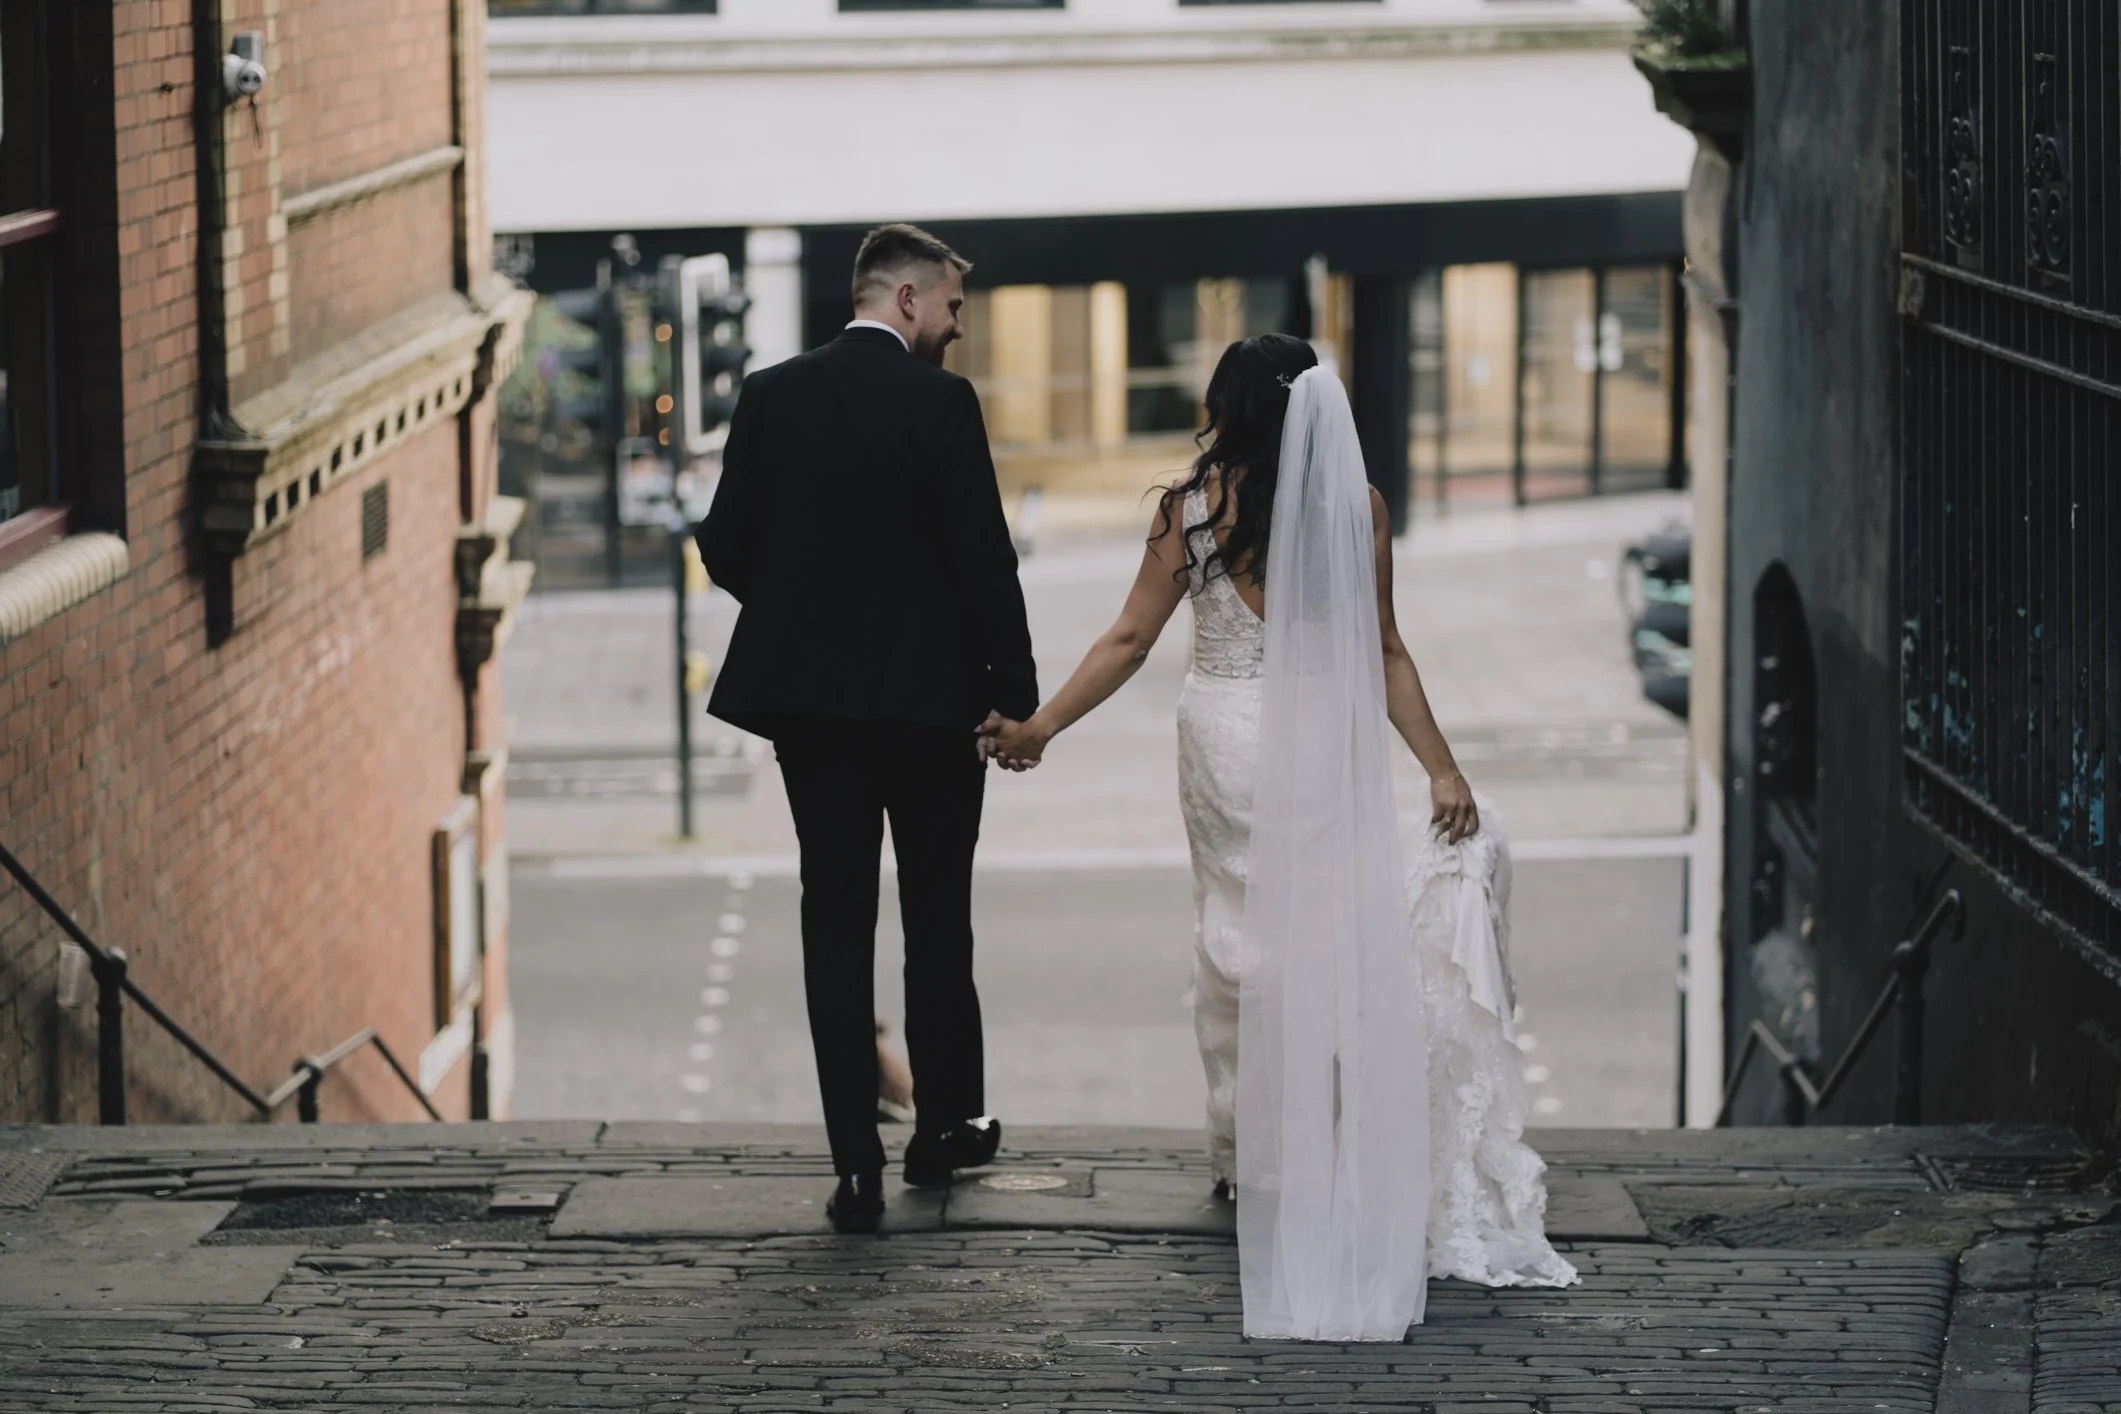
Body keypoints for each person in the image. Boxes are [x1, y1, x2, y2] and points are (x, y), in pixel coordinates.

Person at [986, 334, 1577, 1339]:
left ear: (1227, 405)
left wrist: (1042, 725)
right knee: (1327, 937)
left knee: (1235, 938)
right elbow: (1385, 650)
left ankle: (1247, 1154)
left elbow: (1129, 638)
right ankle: (1330, 1142)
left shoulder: (1192, 510)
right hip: (1318, 741)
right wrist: (1442, 765)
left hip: (1221, 737)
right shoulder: (1357, 509)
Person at [698, 224, 1034, 1234]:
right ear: (905, 300)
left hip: (817, 716)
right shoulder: (940, 403)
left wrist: (799, 612)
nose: (958, 328)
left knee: (834, 927)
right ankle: (939, 1130)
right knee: (939, 921)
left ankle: (856, 1167)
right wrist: (1013, 695)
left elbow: (723, 546)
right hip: (934, 711)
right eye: (953, 307)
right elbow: (986, 560)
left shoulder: (770, 395)